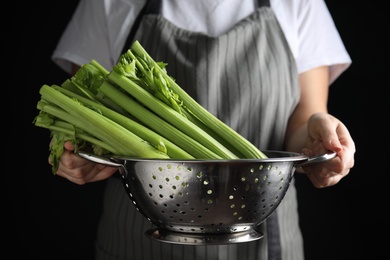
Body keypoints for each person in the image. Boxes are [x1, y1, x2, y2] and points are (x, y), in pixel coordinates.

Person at [50, 0, 356, 259]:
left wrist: (318, 140)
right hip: (138, 237)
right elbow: (87, 115)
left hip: (266, 237)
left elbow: (302, 124)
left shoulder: (299, 4)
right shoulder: (109, 4)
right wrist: (82, 151)